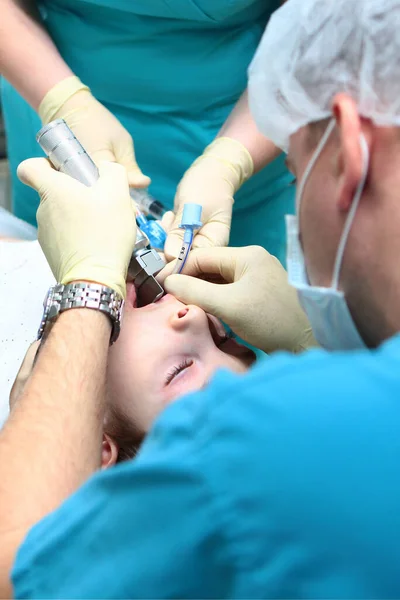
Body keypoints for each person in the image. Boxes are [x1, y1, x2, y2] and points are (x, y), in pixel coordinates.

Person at [6, 0, 400, 596]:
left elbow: (16, 567)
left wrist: (86, 291)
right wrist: (311, 337)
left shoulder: (233, 453)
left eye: (188, 366)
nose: (193, 311)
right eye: (229, 334)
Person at [0, 0, 294, 264]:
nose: (182, 314)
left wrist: (230, 161)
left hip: (252, 120)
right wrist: (62, 99)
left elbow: (320, 39)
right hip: (44, 80)